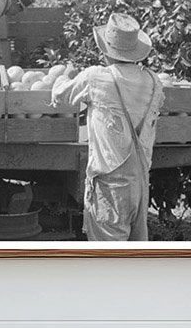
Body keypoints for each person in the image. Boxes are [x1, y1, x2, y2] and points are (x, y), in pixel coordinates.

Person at [51, 13, 164, 242]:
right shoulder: (154, 81)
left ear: (105, 50)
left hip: (111, 186)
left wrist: (64, 75)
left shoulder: (96, 78)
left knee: (107, 258)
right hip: (140, 182)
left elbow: (59, 95)